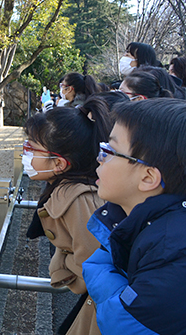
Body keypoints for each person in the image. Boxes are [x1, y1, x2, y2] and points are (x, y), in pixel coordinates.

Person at [83, 98, 186, 334]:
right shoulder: (149, 222)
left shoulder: (174, 251)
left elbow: (123, 321)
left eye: (110, 151)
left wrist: (99, 270)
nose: (99, 157)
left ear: (148, 178)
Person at [24, 97, 112, 335]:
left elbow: (92, 264)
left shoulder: (79, 200)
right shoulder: (65, 187)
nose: (25, 154)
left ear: (60, 164)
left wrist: (62, 265)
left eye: (31, 148)